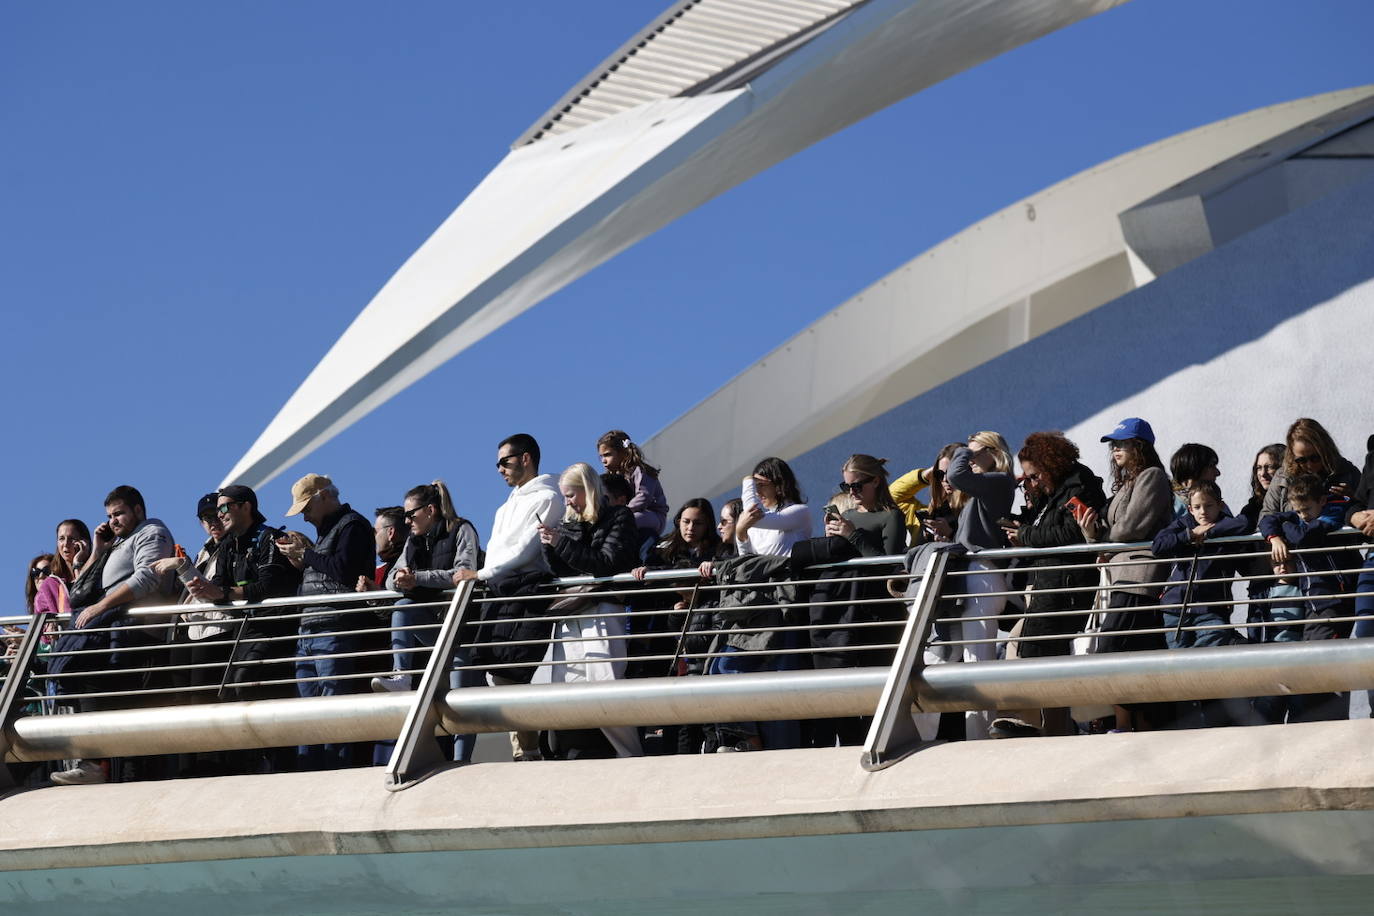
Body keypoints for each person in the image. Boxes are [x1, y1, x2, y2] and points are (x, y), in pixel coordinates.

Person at [50, 485, 176, 785]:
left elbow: (148, 577)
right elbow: (80, 592)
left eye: (118, 513)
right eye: (109, 515)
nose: (114, 521)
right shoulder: (117, 542)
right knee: (90, 686)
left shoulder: (152, 532)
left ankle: (96, 764)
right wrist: (98, 548)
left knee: (111, 696)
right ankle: (96, 763)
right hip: (112, 634)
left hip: (137, 636)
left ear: (138, 510)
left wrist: (102, 606)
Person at [455, 433, 563, 762]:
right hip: (499, 591)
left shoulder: (548, 495)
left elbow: (526, 549)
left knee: (513, 673)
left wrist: (481, 574)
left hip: (529, 590)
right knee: (497, 673)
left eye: (505, 461)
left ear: (525, 458)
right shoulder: (506, 506)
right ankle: (525, 749)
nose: (499, 469)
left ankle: (528, 750)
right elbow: (501, 551)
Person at [995, 433, 1105, 738]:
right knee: (1050, 658)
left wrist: (1026, 536)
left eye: (1034, 475)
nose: (1031, 481)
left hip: (1064, 586)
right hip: (1050, 583)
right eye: (1026, 477)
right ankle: (1057, 732)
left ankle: (1022, 719)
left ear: (1051, 464)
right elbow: (1050, 528)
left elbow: (1071, 533)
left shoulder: (1079, 486)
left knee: (1030, 646)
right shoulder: (1054, 491)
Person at [538, 462, 642, 757]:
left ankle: (630, 755)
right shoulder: (571, 522)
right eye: (565, 497)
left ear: (588, 489)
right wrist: (549, 543)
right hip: (574, 610)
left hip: (603, 608)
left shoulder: (619, 515)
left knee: (604, 680)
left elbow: (605, 564)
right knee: (567, 683)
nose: (568, 502)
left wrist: (560, 542)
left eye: (571, 495)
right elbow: (563, 568)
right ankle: (576, 752)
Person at [1077, 418, 1173, 732]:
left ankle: (1126, 723)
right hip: (1124, 577)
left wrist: (1103, 537)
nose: (1116, 449)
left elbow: (1133, 527)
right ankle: (1144, 726)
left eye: (1123, 443)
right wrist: (1090, 530)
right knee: (1143, 655)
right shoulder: (1126, 485)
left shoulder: (1153, 477)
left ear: (1140, 446)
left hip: (1140, 577)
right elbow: (1111, 533)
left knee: (1110, 650)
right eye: (1114, 444)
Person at [809, 454, 909, 745]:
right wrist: (832, 539)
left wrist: (853, 537)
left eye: (857, 485)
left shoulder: (891, 516)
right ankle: (853, 746)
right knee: (842, 687)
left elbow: (890, 565)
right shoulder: (849, 516)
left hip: (878, 613)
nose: (851, 492)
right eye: (846, 486)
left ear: (876, 481)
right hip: (845, 611)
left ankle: (875, 745)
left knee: (875, 687)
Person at [277, 474, 375, 770]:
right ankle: (314, 772)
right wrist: (303, 559)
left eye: (306, 508)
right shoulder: (333, 528)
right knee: (310, 711)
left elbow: (343, 571)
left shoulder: (353, 525)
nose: (304, 517)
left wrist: (304, 555)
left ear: (323, 497)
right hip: (313, 627)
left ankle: (334, 772)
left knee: (333, 708)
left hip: (335, 625)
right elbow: (332, 569)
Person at [932, 434, 1017, 739]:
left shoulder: (1000, 481)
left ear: (993, 453)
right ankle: (971, 734)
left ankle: (979, 737)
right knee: (959, 658)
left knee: (977, 660)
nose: (968, 458)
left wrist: (959, 449)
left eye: (974, 452)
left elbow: (956, 474)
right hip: (971, 575)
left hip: (982, 575)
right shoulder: (981, 492)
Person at [1257, 473, 1353, 722]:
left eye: (1306, 510)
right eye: (1297, 511)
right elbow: (1268, 521)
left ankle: (1326, 720)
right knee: (1309, 662)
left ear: (1321, 500)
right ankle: (1311, 719)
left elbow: (1305, 537)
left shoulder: (1333, 512)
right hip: (1314, 604)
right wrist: (1275, 537)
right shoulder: (1301, 516)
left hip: (1333, 601)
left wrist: (1287, 527)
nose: (1303, 516)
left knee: (1322, 662)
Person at [372, 481, 480, 692]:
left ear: (430, 510)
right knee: (403, 606)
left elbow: (464, 573)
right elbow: (390, 578)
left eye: (411, 515)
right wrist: (400, 578)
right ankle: (402, 677)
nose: (407, 521)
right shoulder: (414, 540)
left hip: (464, 629)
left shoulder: (461, 529)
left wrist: (417, 578)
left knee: (463, 698)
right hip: (436, 623)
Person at [1152, 481, 1250, 649]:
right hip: (1176, 607)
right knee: (1178, 655)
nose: (1203, 511)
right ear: (1190, 509)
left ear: (1220, 505)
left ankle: (1194, 667)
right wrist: (1190, 535)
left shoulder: (1227, 524)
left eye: (1209, 506)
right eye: (1197, 507)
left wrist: (1209, 532)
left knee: (1215, 636)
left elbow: (1244, 523)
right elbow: (1158, 546)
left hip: (1212, 607)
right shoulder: (1183, 525)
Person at [1261, 418, 1361, 522]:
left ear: (1325, 451)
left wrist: (1355, 496)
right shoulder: (1283, 477)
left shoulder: (1346, 471)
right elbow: (1266, 517)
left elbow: (1369, 510)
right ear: (1292, 456)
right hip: (1292, 537)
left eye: (1315, 458)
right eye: (1301, 460)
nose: (1309, 465)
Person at [596, 430, 669, 548]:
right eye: (601, 457)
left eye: (608, 454)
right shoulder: (616, 477)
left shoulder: (639, 471)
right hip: (629, 514)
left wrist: (624, 511)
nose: (604, 460)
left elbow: (643, 496)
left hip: (653, 516)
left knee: (626, 522)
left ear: (622, 452)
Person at [735, 457, 813, 556]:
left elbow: (753, 516)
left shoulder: (800, 511)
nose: (757, 492)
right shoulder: (757, 523)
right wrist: (740, 533)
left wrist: (748, 480)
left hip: (790, 571)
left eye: (761, 485)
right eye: (755, 486)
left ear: (779, 484)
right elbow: (746, 560)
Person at [358, 506, 407, 591]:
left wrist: (375, 594)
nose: (373, 537)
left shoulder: (409, 565)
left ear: (390, 533)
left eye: (375, 531)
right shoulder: (417, 558)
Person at [1241, 444, 1286, 532]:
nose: (1262, 474)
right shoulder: (1252, 507)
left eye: (1269, 467)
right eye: (1259, 468)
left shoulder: (1294, 500)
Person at [1169, 443, 1222, 517]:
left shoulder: (1217, 503)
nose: (1218, 473)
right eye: (1211, 466)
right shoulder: (1168, 507)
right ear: (1193, 469)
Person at [52, 519, 92, 584]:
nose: (66, 543)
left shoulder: (97, 570)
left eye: (71, 539)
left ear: (84, 542)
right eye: (61, 538)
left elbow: (83, 591)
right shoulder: (52, 582)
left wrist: (77, 562)